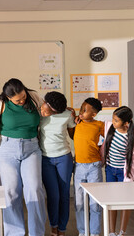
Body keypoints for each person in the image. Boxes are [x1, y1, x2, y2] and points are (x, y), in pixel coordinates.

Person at [0, 78, 46, 236]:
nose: (22, 100)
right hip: (7, 149)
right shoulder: (0, 103)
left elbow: (47, 110)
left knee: (35, 189)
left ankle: (37, 233)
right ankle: (15, 233)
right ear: (8, 98)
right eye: (17, 100)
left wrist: (66, 109)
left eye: (23, 96)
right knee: (10, 192)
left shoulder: (33, 96)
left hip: (32, 148)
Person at [102, 106, 134, 236]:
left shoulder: (132, 134)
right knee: (112, 200)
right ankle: (111, 231)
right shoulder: (110, 127)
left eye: (116, 120)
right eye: (113, 119)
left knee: (125, 201)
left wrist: (129, 174)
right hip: (110, 169)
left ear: (126, 123)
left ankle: (122, 231)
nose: (113, 122)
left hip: (123, 172)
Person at [39, 91, 76, 236]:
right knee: (53, 195)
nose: (44, 112)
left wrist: (77, 118)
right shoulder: (39, 115)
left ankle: (62, 229)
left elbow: (73, 135)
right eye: (43, 108)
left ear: (54, 110)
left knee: (64, 195)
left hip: (64, 158)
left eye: (47, 111)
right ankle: (53, 227)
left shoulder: (67, 115)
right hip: (45, 159)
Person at [73, 97, 104, 236]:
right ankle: (82, 231)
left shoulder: (99, 125)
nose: (81, 112)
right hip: (78, 166)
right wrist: (73, 112)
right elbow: (67, 110)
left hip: (94, 167)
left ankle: (95, 232)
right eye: (81, 108)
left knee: (95, 202)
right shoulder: (77, 123)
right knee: (79, 202)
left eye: (85, 110)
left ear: (93, 114)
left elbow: (112, 134)